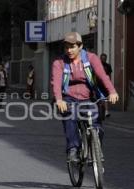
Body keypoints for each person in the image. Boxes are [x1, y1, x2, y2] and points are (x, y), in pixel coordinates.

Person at [51, 32, 119, 162]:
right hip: (68, 98)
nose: (69, 50)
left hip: (89, 97)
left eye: (72, 47)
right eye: (66, 47)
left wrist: (112, 91)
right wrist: (59, 100)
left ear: (80, 46)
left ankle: (95, 147)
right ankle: (73, 149)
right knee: (70, 118)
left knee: (96, 124)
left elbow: (102, 76)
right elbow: (56, 83)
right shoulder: (59, 63)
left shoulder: (91, 58)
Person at [99, 53, 113, 117]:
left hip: (106, 84)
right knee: (100, 97)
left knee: (106, 97)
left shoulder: (108, 66)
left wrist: (109, 83)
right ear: (100, 58)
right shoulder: (98, 65)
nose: (103, 60)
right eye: (102, 58)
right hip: (99, 84)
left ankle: (106, 111)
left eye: (104, 59)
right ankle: (101, 110)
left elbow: (109, 75)